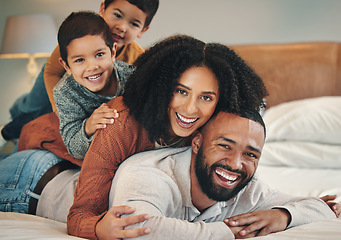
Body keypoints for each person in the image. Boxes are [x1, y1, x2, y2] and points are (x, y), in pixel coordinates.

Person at [21, 34, 266, 239]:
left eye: (206, 97)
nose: (191, 109)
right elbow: (80, 216)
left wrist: (283, 214)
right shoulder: (120, 123)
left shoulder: (210, 133)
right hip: (33, 173)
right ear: (161, 88)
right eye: (181, 91)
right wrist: (96, 227)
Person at [108, 108, 337, 239]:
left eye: (250, 154)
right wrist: (228, 232)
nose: (236, 164)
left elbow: (322, 210)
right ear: (197, 142)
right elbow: (135, 231)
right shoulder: (150, 174)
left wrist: (282, 216)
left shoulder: (250, 189)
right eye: (225, 146)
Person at [0, 0, 159, 148]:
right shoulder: (79, 36)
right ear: (103, 9)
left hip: (85, 89)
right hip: (56, 77)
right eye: (117, 15)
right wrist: (58, 111)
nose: (122, 27)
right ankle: (19, 111)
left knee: (48, 116)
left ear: (143, 30)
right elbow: (52, 72)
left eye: (133, 23)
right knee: (32, 107)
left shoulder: (136, 57)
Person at [54, 11, 135, 159]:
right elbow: (74, 148)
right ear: (66, 66)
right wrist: (88, 126)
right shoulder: (65, 92)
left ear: (113, 52)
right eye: (79, 60)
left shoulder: (132, 77)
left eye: (99, 55)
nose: (92, 66)